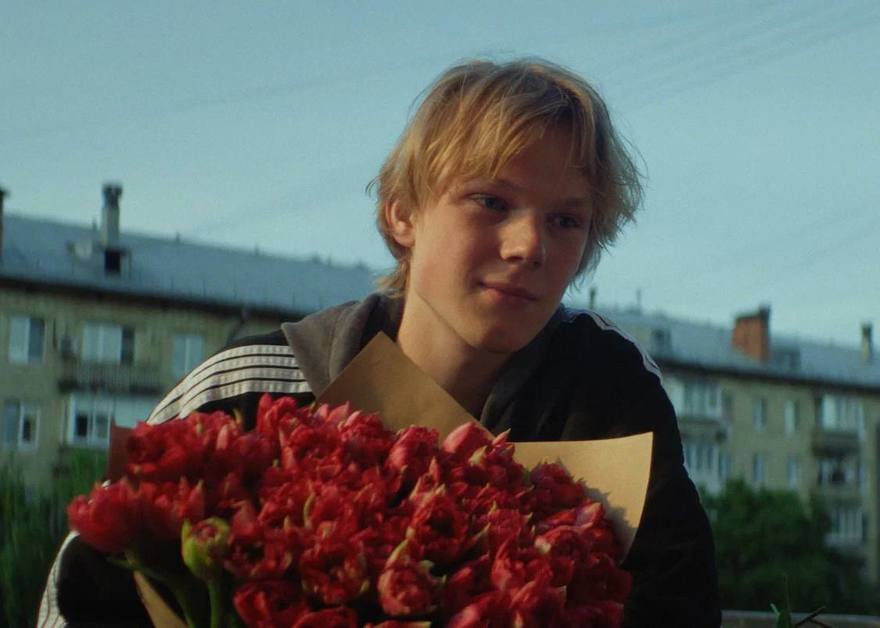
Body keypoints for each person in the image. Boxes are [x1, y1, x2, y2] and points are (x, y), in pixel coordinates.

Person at [40, 58, 721, 627]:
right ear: (403, 214)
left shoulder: (611, 398)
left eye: (566, 220)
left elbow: (678, 608)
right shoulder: (249, 391)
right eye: (492, 202)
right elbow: (76, 598)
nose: (529, 246)